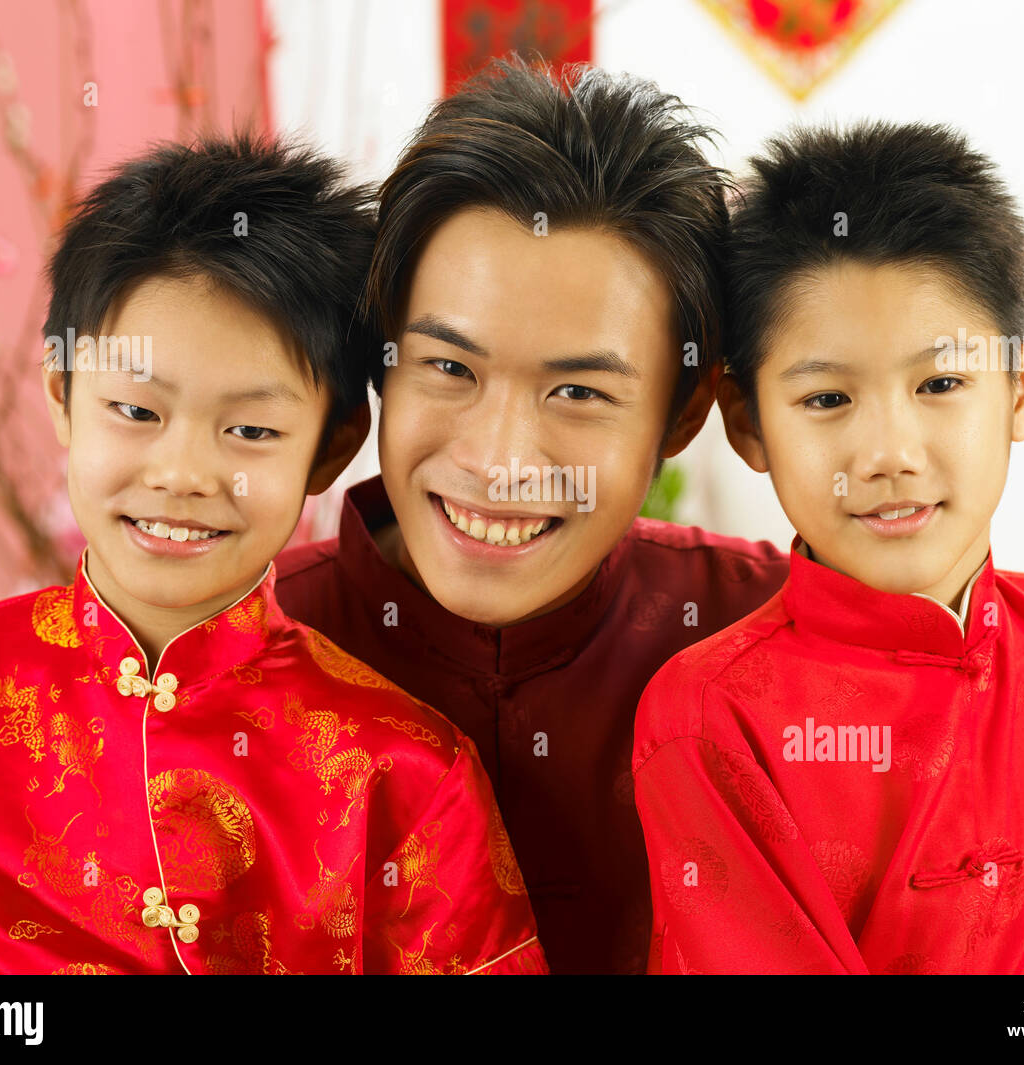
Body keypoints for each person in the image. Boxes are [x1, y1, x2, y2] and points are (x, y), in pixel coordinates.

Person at [0, 133, 544, 975]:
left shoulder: (405, 771)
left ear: (332, 447)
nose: (183, 474)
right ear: (62, 394)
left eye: (250, 430)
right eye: (136, 411)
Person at [634, 121, 1024, 974]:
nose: (889, 453)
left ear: (1022, 387)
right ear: (747, 423)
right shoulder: (709, 719)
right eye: (826, 398)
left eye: (940, 383)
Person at [274, 58, 789, 974]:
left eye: (580, 390)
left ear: (683, 414)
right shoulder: (234, 646)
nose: (501, 461)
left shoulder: (775, 641)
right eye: (449, 369)